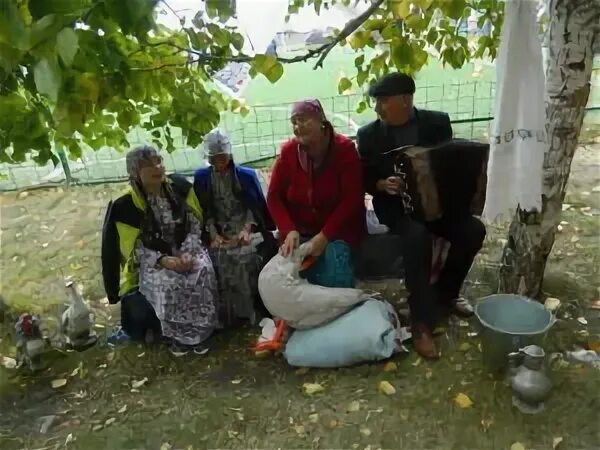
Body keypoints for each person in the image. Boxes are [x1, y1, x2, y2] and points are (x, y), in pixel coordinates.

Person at [356, 72, 486, 360]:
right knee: (416, 237)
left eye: (383, 102)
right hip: (396, 207)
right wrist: (381, 184)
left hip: (439, 205)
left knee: (473, 231)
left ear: (405, 100)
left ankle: (446, 294)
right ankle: (421, 322)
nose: (377, 109)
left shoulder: (437, 123)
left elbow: (452, 165)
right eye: (376, 102)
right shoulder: (369, 135)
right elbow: (364, 178)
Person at [101, 146, 219, 353]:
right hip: (152, 261)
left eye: (159, 161)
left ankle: (200, 332)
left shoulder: (180, 187)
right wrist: (163, 260)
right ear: (135, 172)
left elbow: (194, 225)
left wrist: (188, 252)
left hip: (188, 249)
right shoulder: (124, 206)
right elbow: (133, 248)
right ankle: (177, 336)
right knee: (168, 283)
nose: (157, 167)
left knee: (202, 272)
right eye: (148, 165)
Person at [267, 99, 365, 285]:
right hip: (299, 232)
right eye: (294, 122)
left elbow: (352, 199)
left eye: (303, 120)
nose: (298, 127)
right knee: (288, 279)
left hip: (338, 232)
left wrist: (324, 236)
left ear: (321, 121)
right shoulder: (288, 152)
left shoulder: (344, 150)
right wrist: (288, 229)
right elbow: (274, 196)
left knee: (333, 278)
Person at [194, 129, 277, 325]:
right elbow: (204, 210)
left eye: (222, 157)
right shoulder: (202, 178)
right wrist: (214, 234)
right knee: (217, 259)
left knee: (245, 257)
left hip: (245, 228)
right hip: (218, 230)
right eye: (215, 158)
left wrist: (246, 229)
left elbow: (254, 208)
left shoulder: (246, 176)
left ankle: (252, 311)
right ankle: (228, 316)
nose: (219, 162)